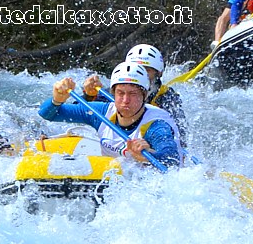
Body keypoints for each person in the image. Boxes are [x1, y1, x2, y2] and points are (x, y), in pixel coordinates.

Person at [39, 62, 183, 168]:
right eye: (120, 93)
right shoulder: (101, 112)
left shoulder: (155, 124)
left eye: (133, 94)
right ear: (113, 93)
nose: (125, 100)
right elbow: (47, 114)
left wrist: (148, 156)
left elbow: (172, 160)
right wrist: (57, 99)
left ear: (144, 95)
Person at [80, 44, 188, 145]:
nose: (140, 74)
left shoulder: (167, 98)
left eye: (146, 70)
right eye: (136, 68)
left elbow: (180, 135)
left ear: (158, 73)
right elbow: (82, 110)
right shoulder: (118, 91)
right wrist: (89, 95)